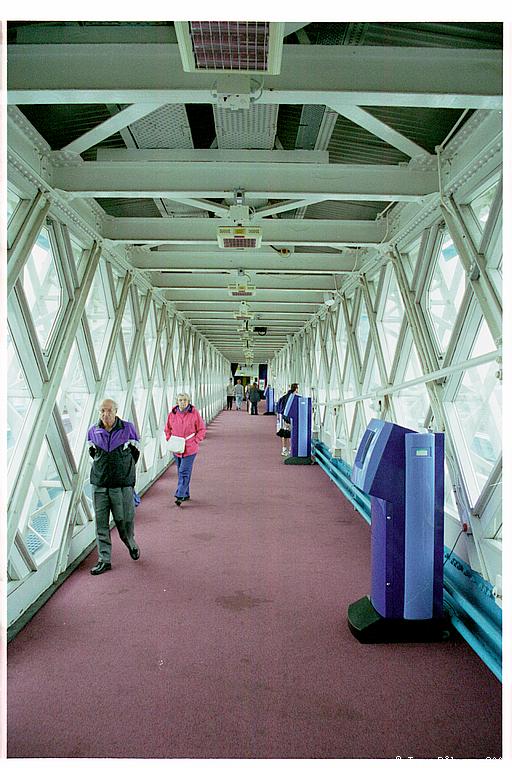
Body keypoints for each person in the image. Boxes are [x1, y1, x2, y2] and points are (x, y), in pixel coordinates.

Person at [87, 398, 141, 575]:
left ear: (116, 411)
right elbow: (93, 454)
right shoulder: (92, 431)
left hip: (121, 485)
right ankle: (104, 559)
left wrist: (123, 472)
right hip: (100, 484)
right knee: (101, 524)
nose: (105, 414)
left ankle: (130, 543)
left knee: (124, 521)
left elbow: (135, 453)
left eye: (109, 410)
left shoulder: (128, 428)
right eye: (102, 411)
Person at [164, 393, 206, 506]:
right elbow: (167, 429)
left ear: (188, 401)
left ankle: (180, 495)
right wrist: (169, 439)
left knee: (184, 471)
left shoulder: (194, 413)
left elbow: (202, 429)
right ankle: (186, 493)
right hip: (176, 447)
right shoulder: (172, 414)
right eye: (181, 400)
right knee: (180, 471)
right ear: (177, 402)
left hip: (190, 448)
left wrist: (196, 440)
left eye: (185, 400)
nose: (183, 402)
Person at [276, 383, 299, 456]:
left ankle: (284, 449)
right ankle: (291, 449)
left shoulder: (284, 397)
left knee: (284, 434)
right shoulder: (294, 398)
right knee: (292, 434)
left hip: (283, 418)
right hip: (290, 419)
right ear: (296, 389)